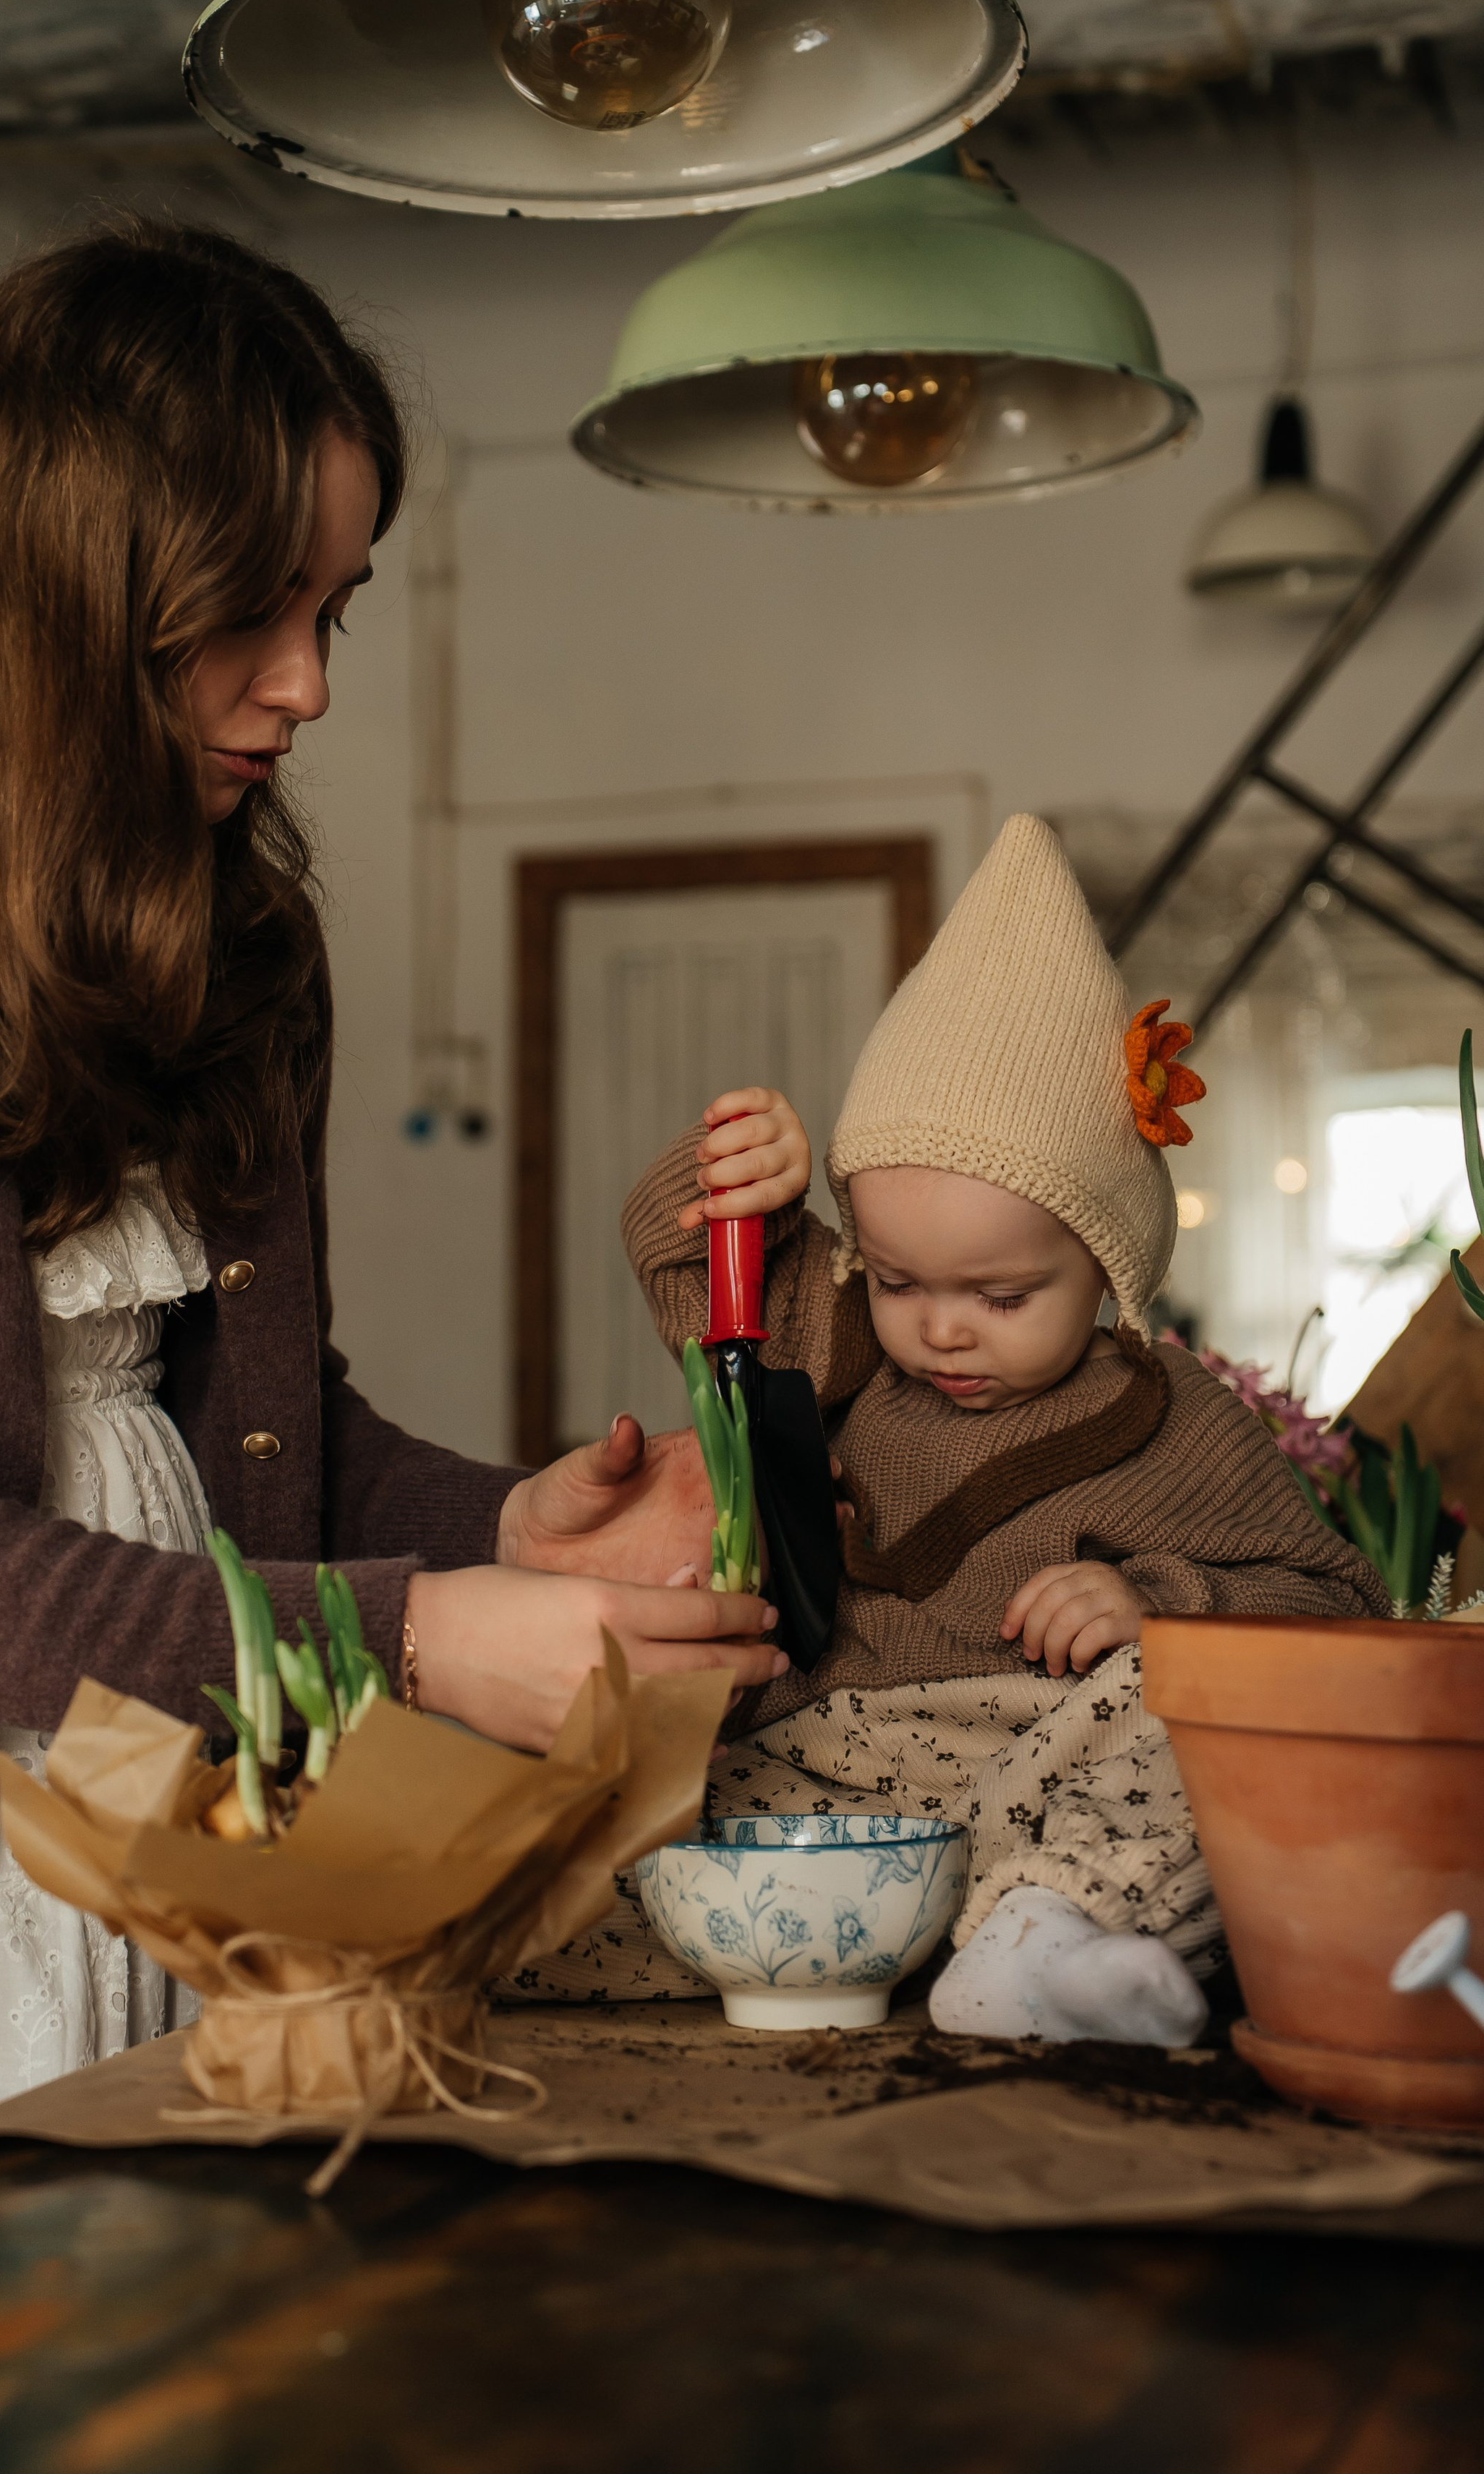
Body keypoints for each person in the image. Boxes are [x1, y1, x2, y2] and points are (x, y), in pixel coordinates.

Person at [0, 222, 780, 2251]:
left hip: (180, 1819)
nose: (307, 684)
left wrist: (513, 1525)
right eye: (250, 610)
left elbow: (234, 1425)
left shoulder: (239, 931)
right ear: (61, 583)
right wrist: (421, 1636)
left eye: (332, 607)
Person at [525, 814, 1385, 2041]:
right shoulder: (839, 1344)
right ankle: (510, 1938)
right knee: (583, 1843)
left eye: (1003, 1297)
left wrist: (1157, 1600)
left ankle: (1042, 1945)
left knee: (1199, 1717)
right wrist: (743, 1171)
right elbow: (681, 1251)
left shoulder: (1178, 1421)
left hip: (1046, 1784)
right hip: (826, 1792)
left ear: (1107, 1265)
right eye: (898, 1278)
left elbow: (1338, 1609)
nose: (940, 1330)